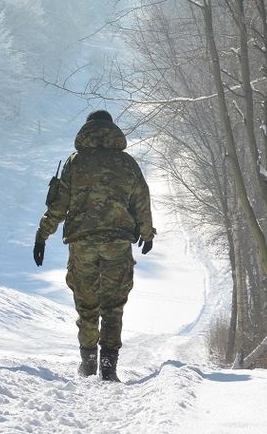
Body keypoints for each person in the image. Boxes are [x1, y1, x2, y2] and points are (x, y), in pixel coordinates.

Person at [32, 109, 154, 381]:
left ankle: (88, 364)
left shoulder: (75, 163)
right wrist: (147, 234)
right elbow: (141, 201)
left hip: (82, 245)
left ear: (86, 131)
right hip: (117, 245)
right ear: (113, 132)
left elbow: (58, 205)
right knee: (113, 306)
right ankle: (109, 368)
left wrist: (42, 235)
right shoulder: (127, 164)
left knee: (86, 306)